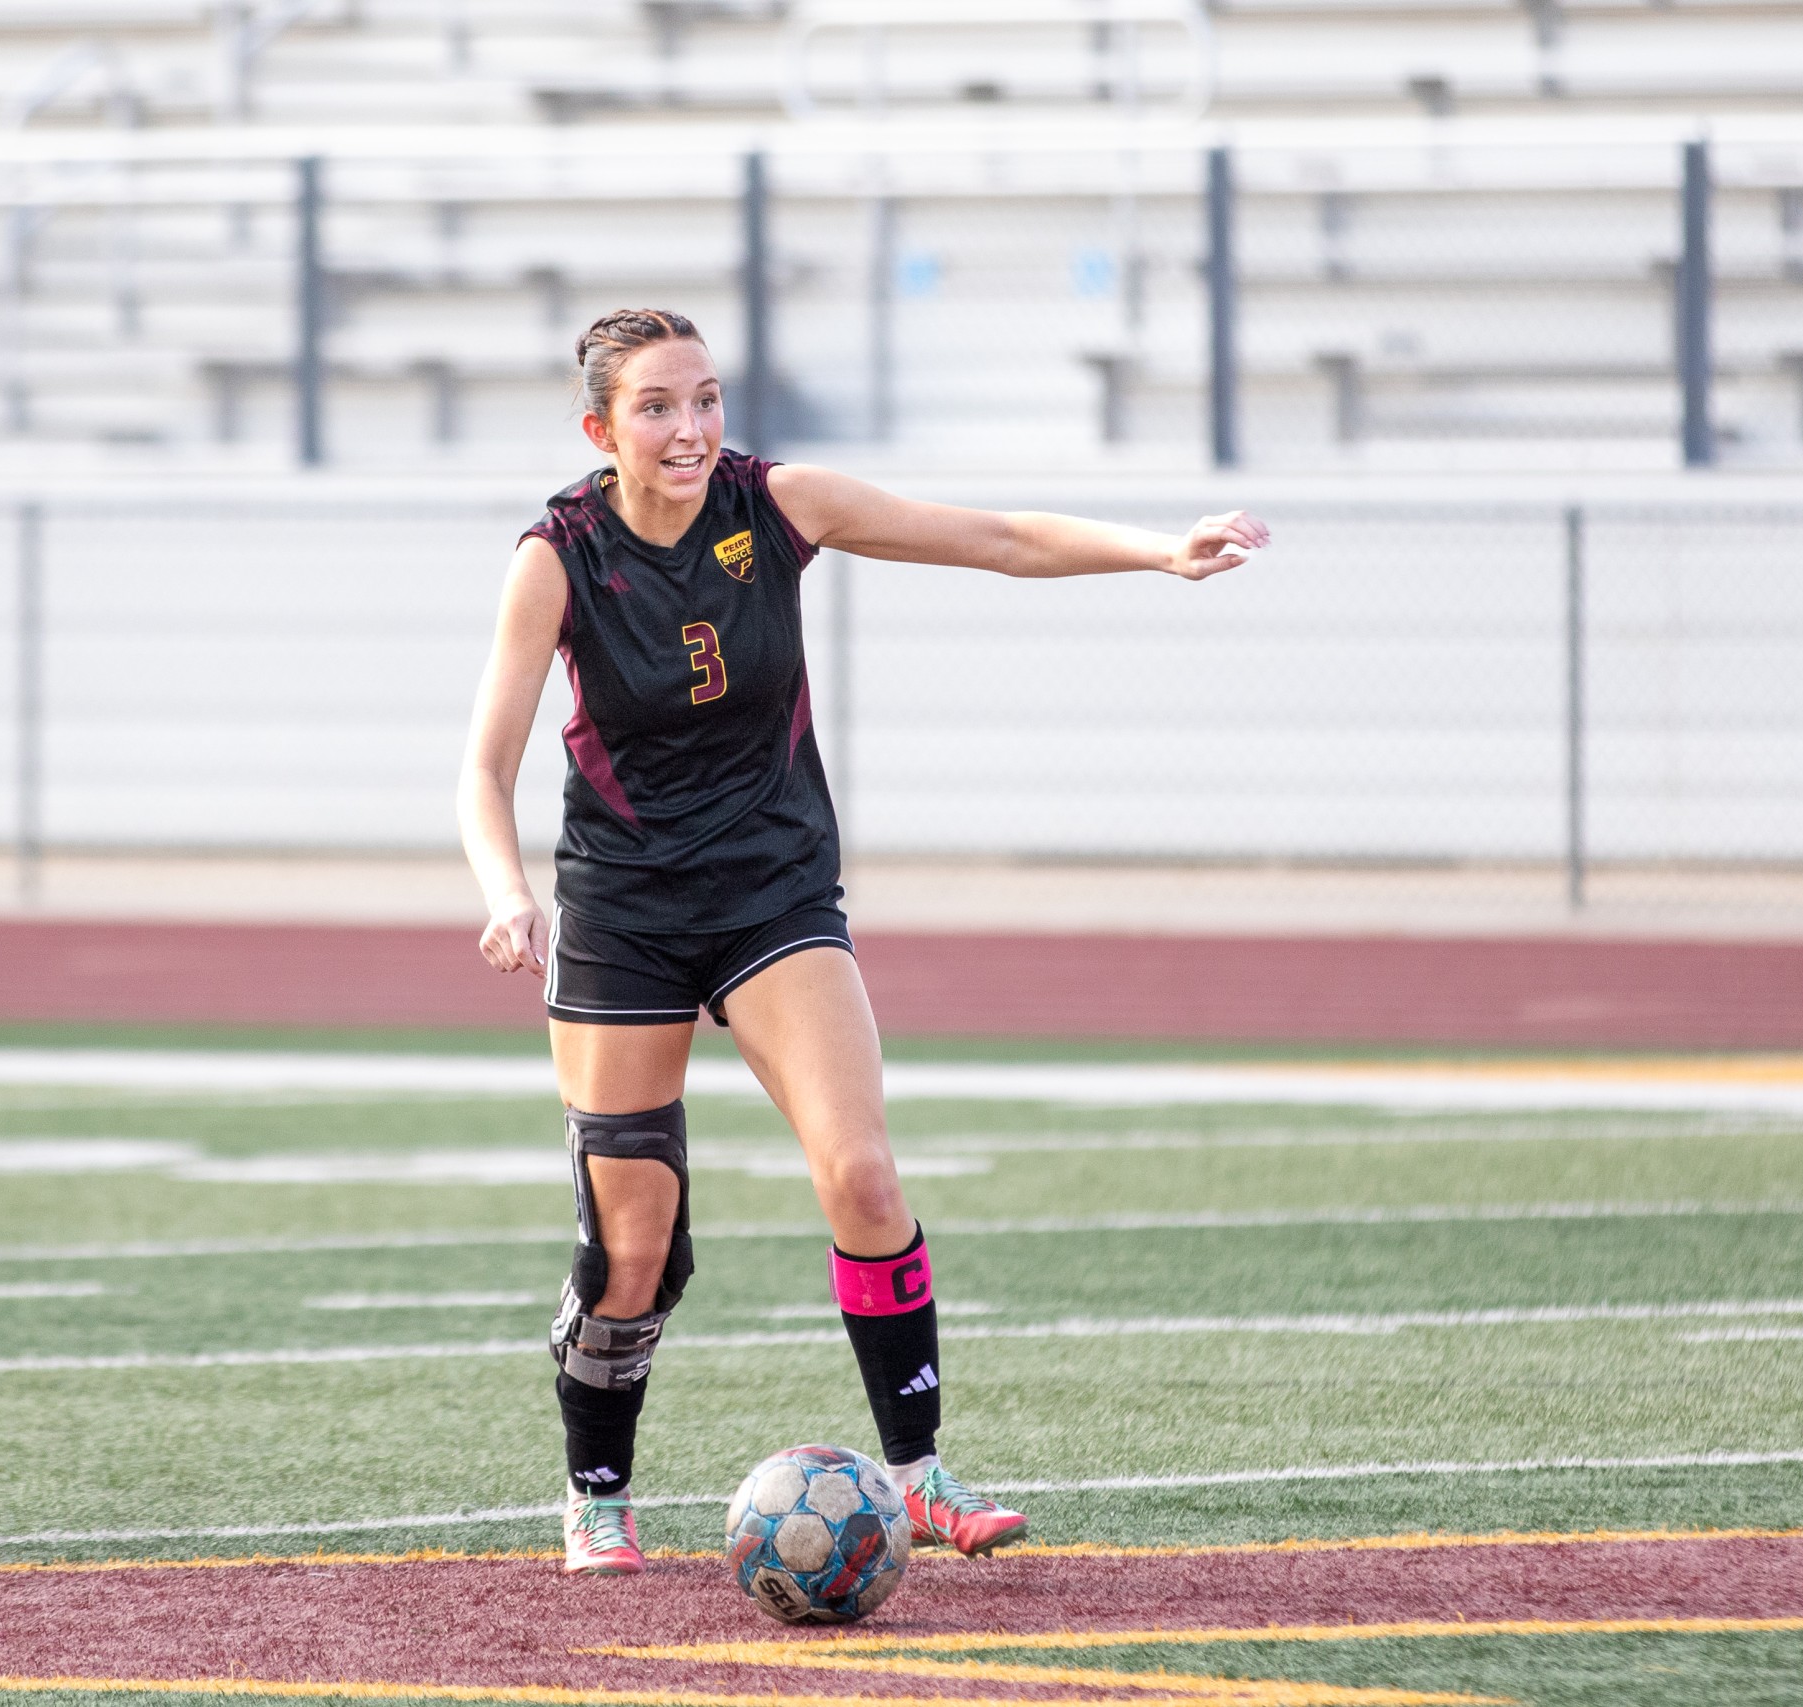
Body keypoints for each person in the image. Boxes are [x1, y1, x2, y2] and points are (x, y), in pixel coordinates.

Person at [457, 307, 1267, 1577]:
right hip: (621, 915)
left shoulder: (778, 504)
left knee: (864, 1177)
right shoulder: (556, 557)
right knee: (633, 1248)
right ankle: (596, 1494)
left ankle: (920, 1477)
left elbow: (997, 539)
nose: (690, 427)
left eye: (706, 398)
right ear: (600, 429)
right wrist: (508, 893)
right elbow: (483, 769)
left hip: (773, 896)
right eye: (657, 406)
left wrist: (1161, 552)